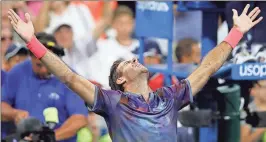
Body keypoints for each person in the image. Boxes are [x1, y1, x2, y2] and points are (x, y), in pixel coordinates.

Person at [7, 4, 263, 142]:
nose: (133, 58)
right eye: (125, 63)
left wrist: (236, 33)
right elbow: (70, 77)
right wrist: (32, 42)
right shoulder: (112, 101)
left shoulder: (170, 96)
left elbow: (208, 67)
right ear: (121, 80)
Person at [1, 32, 88, 142]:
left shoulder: (70, 77)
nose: (43, 70)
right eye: (38, 65)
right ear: (30, 56)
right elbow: (2, 105)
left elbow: (80, 119)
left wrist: (50, 137)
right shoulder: (17, 72)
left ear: (56, 57)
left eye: (47, 65)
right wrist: (14, 114)